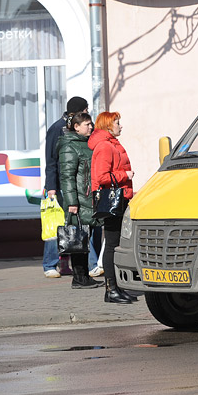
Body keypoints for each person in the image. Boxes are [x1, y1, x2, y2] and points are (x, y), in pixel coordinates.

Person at [90, 111, 136, 304]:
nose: (120, 126)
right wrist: (125, 175)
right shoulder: (105, 147)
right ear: (109, 126)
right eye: (117, 122)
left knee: (116, 244)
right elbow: (101, 177)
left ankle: (117, 287)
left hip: (120, 199)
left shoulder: (112, 144)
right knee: (111, 245)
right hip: (112, 201)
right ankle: (111, 290)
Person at [43, 96, 89, 278]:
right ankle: (49, 264)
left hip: (76, 184)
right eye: (85, 110)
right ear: (76, 111)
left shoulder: (81, 127)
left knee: (74, 225)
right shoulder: (57, 129)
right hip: (60, 185)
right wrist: (51, 186)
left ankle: (67, 263)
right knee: (56, 224)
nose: (87, 113)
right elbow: (51, 159)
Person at [58, 111, 102, 289]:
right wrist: (72, 202)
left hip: (88, 198)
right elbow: (67, 177)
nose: (91, 127)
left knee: (84, 237)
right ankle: (79, 278)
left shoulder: (85, 144)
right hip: (78, 201)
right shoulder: (69, 146)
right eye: (87, 124)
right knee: (77, 239)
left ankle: (83, 276)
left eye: (91, 124)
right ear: (76, 127)